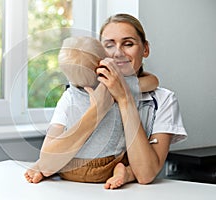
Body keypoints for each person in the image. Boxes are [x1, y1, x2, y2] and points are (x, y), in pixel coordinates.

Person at [25, 13, 187, 189]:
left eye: (128, 44)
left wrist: (124, 99)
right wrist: (98, 110)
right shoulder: (75, 93)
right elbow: (47, 162)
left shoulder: (163, 100)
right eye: (109, 45)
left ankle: (125, 172)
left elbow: (146, 175)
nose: (117, 53)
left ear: (145, 49)